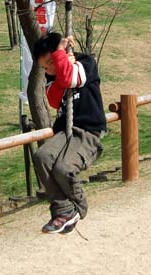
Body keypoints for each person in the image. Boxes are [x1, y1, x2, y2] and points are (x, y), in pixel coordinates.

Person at [31, 32, 105, 234]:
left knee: (64, 168)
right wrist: (60, 63)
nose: (48, 69)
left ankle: (78, 206)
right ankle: (63, 210)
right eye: (45, 67)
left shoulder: (85, 62)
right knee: (42, 156)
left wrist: (61, 57)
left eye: (50, 62)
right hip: (64, 130)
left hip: (87, 130)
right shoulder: (53, 76)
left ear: (59, 52)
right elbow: (54, 100)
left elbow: (71, 78)